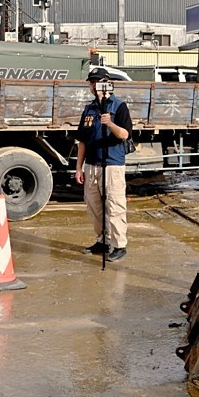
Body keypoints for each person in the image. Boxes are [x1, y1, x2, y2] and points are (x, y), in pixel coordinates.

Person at [75, 68, 132, 262]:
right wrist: (78, 168)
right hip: (92, 166)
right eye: (91, 82)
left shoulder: (119, 106)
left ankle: (118, 245)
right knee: (95, 207)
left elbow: (124, 135)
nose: (94, 86)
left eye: (98, 82)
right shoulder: (89, 109)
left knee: (114, 206)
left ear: (107, 83)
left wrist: (110, 124)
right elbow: (82, 140)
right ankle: (102, 241)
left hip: (112, 165)